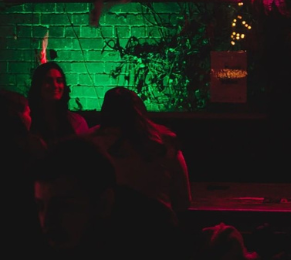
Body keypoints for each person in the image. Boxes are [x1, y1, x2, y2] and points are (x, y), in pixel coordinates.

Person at [32, 135, 181, 258]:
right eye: (40, 207)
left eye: (64, 206)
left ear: (103, 203)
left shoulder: (155, 233)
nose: (47, 220)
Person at [86, 87, 192, 230]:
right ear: (140, 110)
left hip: (107, 238)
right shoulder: (166, 142)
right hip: (160, 234)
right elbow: (183, 202)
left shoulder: (89, 145)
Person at [0, 88, 47, 254]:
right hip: (27, 215)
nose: (31, 118)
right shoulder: (32, 145)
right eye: (28, 113)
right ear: (18, 116)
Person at [27, 61, 89, 145]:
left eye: (59, 81)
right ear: (38, 85)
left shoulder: (77, 123)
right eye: (48, 81)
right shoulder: (27, 121)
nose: (55, 85)